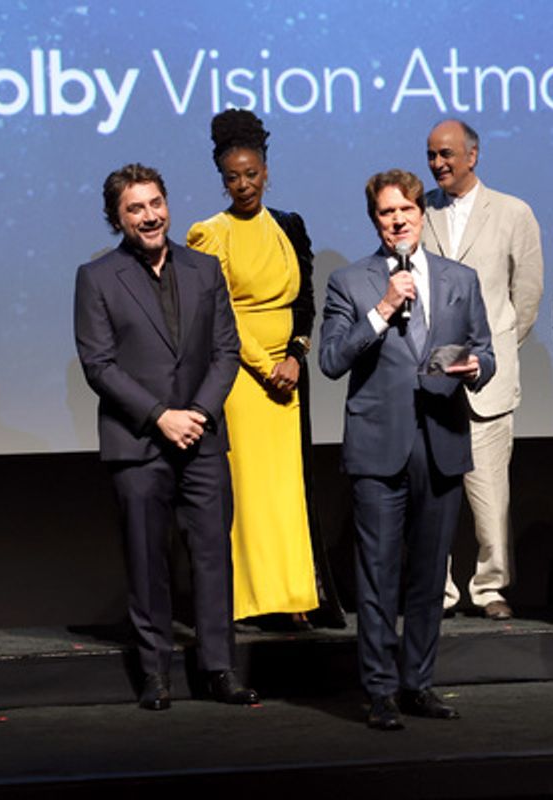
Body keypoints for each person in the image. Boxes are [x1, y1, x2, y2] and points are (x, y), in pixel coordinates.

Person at [74, 163, 258, 710]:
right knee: (148, 561)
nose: (149, 216)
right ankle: (156, 674)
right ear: (117, 218)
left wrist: (196, 412)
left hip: (201, 437)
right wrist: (161, 416)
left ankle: (218, 669)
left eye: (156, 203)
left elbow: (226, 350)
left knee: (211, 557)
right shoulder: (98, 277)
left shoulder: (205, 268)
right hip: (138, 442)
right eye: (136, 208)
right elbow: (99, 365)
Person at [319, 169, 494, 730]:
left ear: (423, 214)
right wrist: (382, 309)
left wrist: (475, 369)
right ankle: (379, 690)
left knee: (427, 574)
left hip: (440, 442)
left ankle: (419, 682)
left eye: (407, 211)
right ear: (375, 220)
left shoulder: (459, 279)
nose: (398, 221)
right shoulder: (351, 282)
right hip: (378, 446)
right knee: (376, 574)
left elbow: (485, 353)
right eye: (386, 213)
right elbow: (330, 360)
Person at [187, 108, 343, 628]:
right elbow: (219, 313)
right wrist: (263, 365)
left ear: (267, 171)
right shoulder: (209, 234)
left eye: (251, 173)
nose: (244, 184)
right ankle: (253, 599)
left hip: (288, 378)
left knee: (288, 489)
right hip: (243, 381)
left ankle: (294, 596)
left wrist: (296, 356)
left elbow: (306, 300)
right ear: (221, 179)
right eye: (233, 176)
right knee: (251, 491)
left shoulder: (290, 226)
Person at [420, 119, 544, 621]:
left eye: (447, 154)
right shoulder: (421, 209)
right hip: (430, 378)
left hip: (486, 377)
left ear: (473, 155)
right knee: (434, 488)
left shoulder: (513, 212)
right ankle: (442, 590)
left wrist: (492, 353)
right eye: (431, 155)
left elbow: (527, 295)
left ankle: (490, 586)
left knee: (490, 490)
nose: (438, 163)